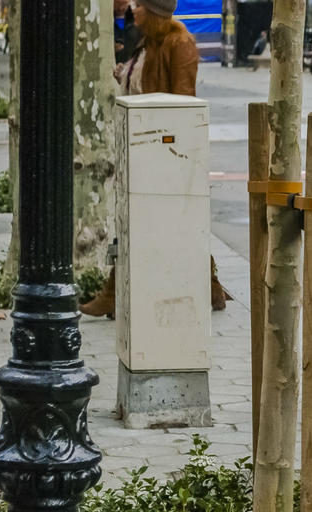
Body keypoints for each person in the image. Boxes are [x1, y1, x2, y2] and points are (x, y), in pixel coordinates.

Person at [83, 0, 204, 319]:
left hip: (159, 151)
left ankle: (113, 293)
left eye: (139, 5)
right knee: (156, 224)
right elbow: (140, 85)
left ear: (154, 12)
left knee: (145, 224)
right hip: (138, 146)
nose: (133, 9)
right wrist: (123, 74)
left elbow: (183, 103)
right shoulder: (147, 43)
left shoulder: (179, 43)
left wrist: (173, 155)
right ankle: (210, 285)